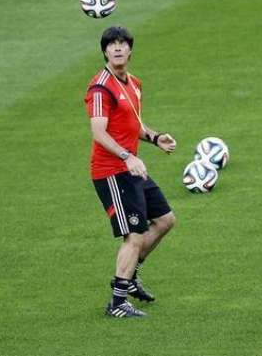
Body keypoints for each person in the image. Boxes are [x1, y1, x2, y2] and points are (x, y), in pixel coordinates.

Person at [84, 25, 177, 318]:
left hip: (130, 168)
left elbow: (133, 125)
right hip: (111, 171)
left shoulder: (133, 83)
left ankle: (131, 274)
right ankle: (117, 301)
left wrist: (154, 137)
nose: (118, 48)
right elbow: (99, 132)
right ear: (105, 51)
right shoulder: (100, 87)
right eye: (112, 44)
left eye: (123, 43)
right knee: (134, 235)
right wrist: (127, 157)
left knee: (165, 220)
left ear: (130, 49)